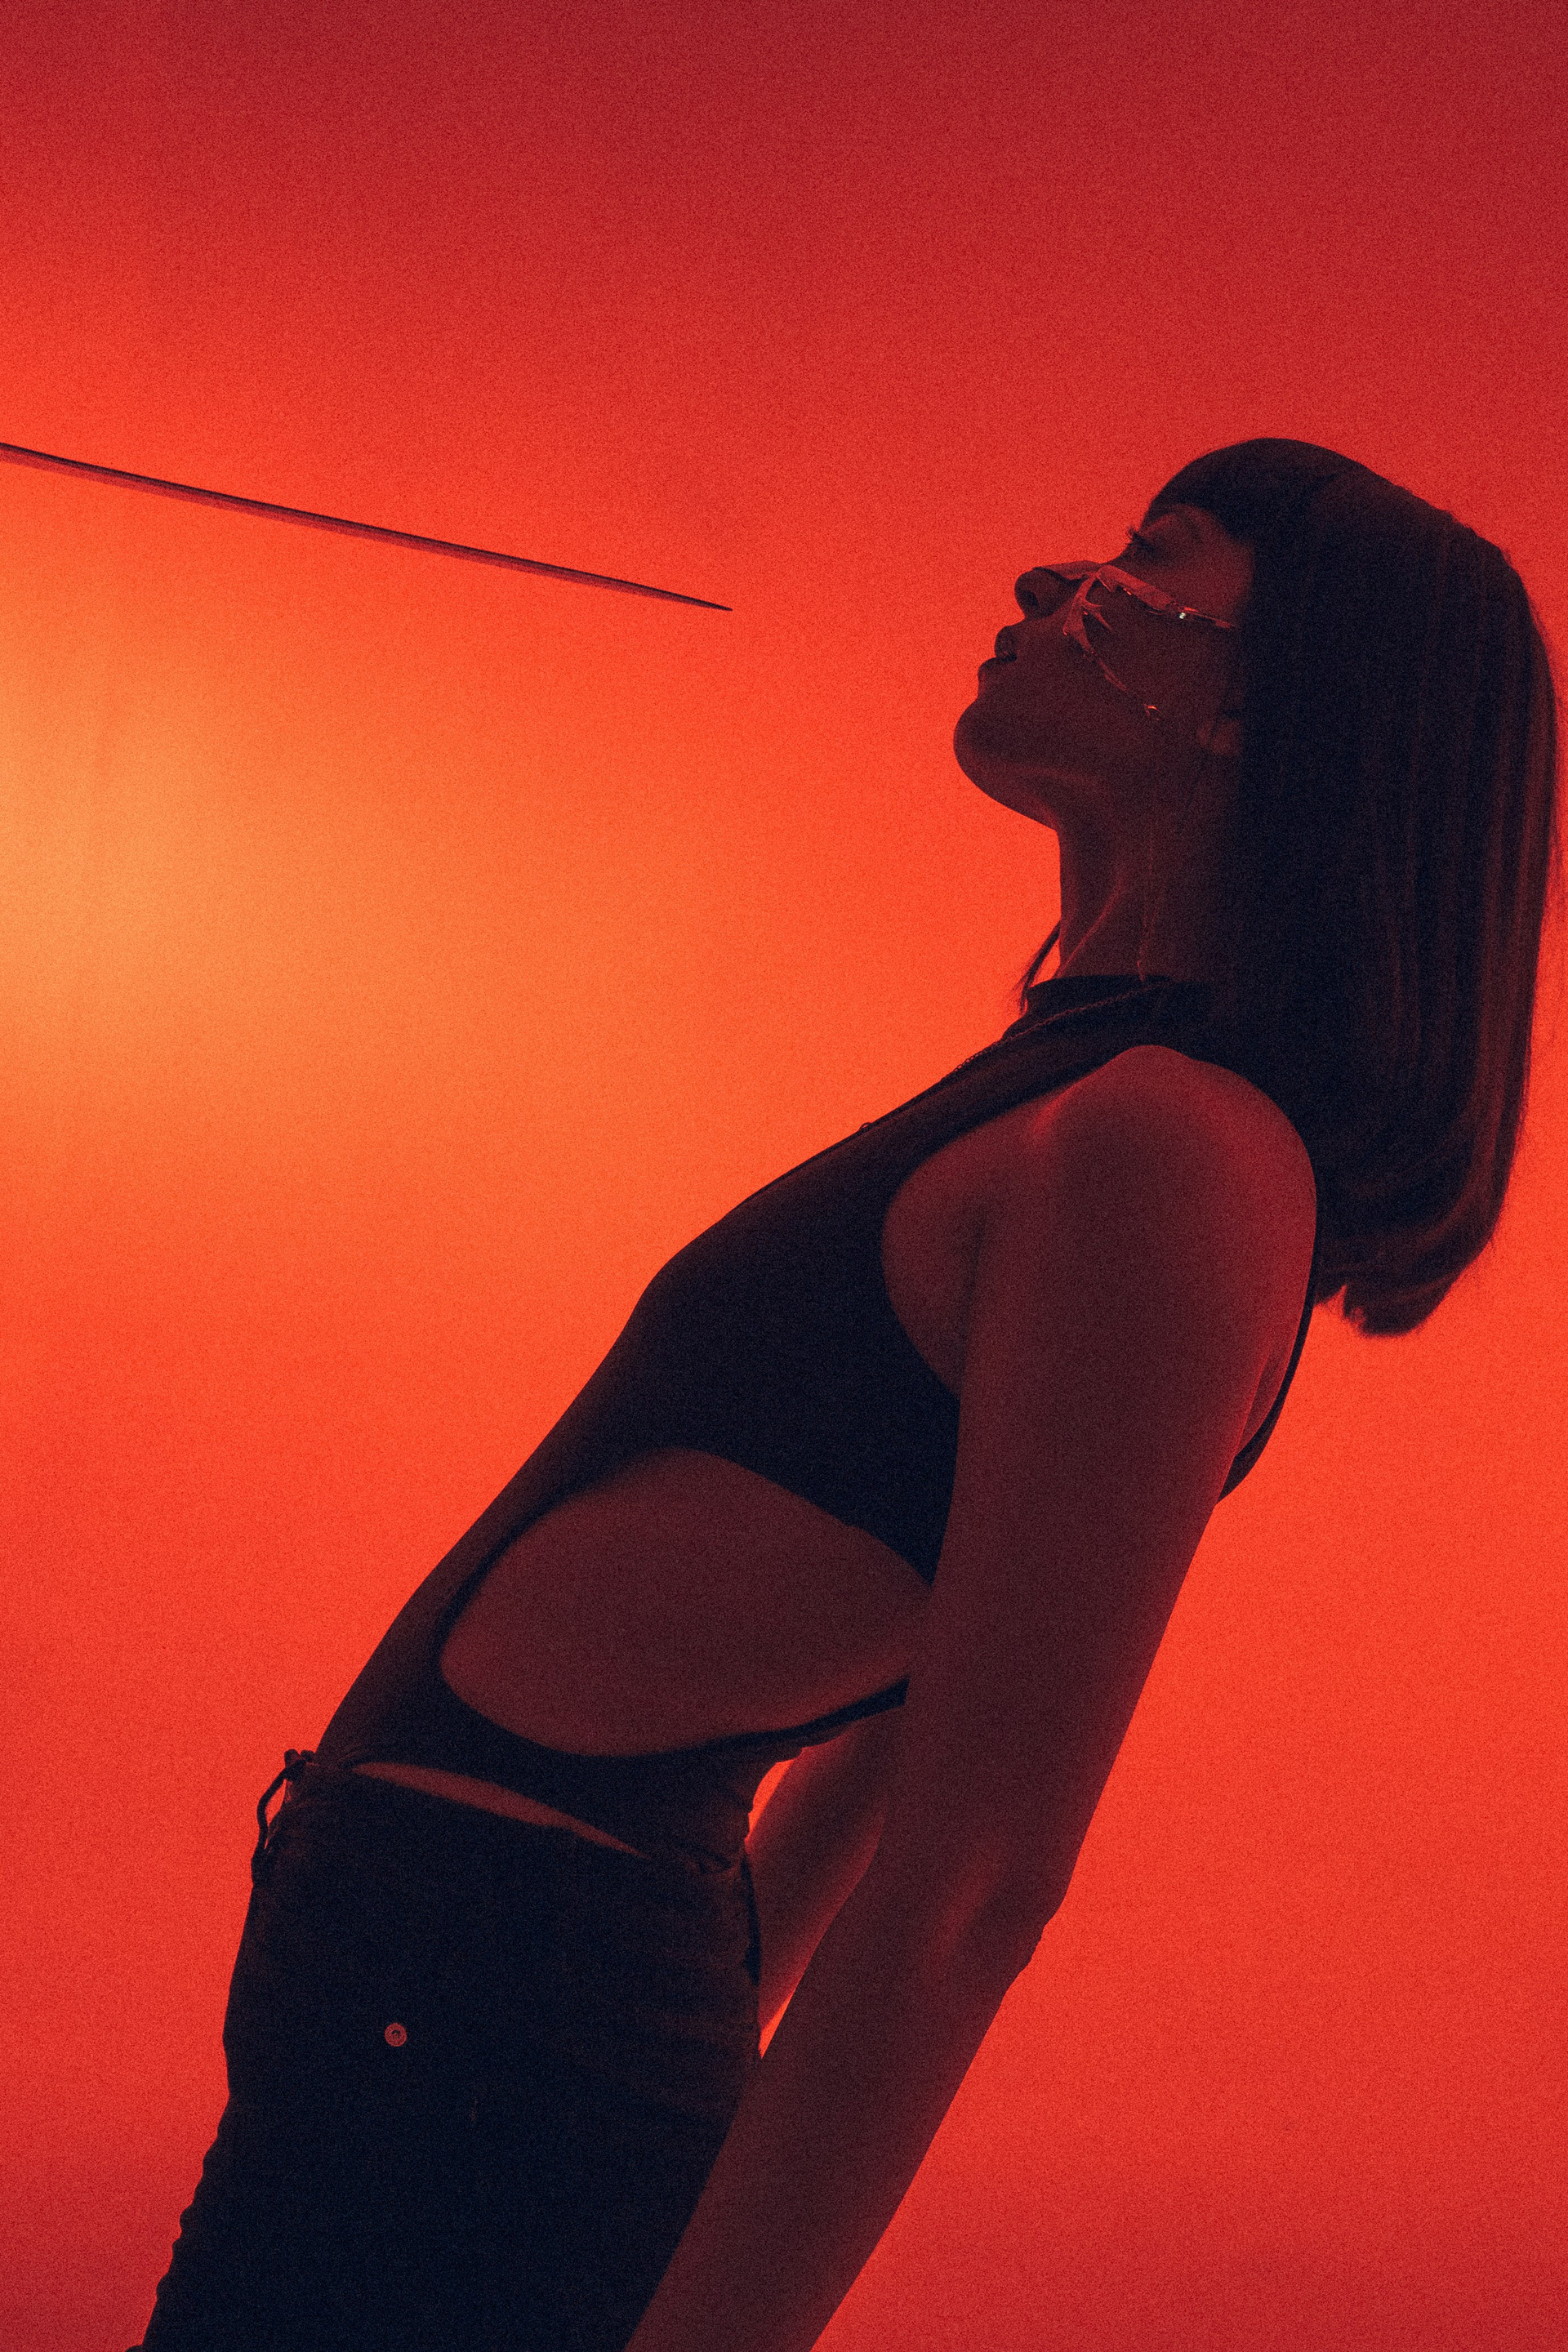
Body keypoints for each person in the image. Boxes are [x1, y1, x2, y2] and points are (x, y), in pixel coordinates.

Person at [133, 440, 1561, 2352]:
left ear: (1270, 704)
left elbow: (980, 1876)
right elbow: (896, 1744)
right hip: (460, 2021)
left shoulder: (1173, 1148)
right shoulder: (1081, 1098)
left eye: (1149, 557)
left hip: (491, 2048)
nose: (1049, 579)